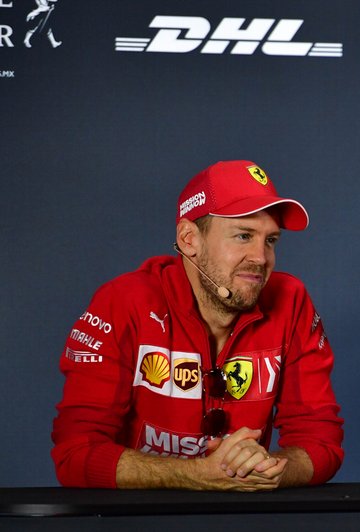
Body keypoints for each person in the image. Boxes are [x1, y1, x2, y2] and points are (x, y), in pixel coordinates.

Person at [52, 160, 344, 490]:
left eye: (271, 240)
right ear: (189, 239)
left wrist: (269, 467)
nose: (261, 258)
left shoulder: (292, 301)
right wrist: (197, 475)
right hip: (137, 520)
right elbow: (75, 455)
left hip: (244, 518)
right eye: (243, 235)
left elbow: (321, 442)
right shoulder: (123, 303)